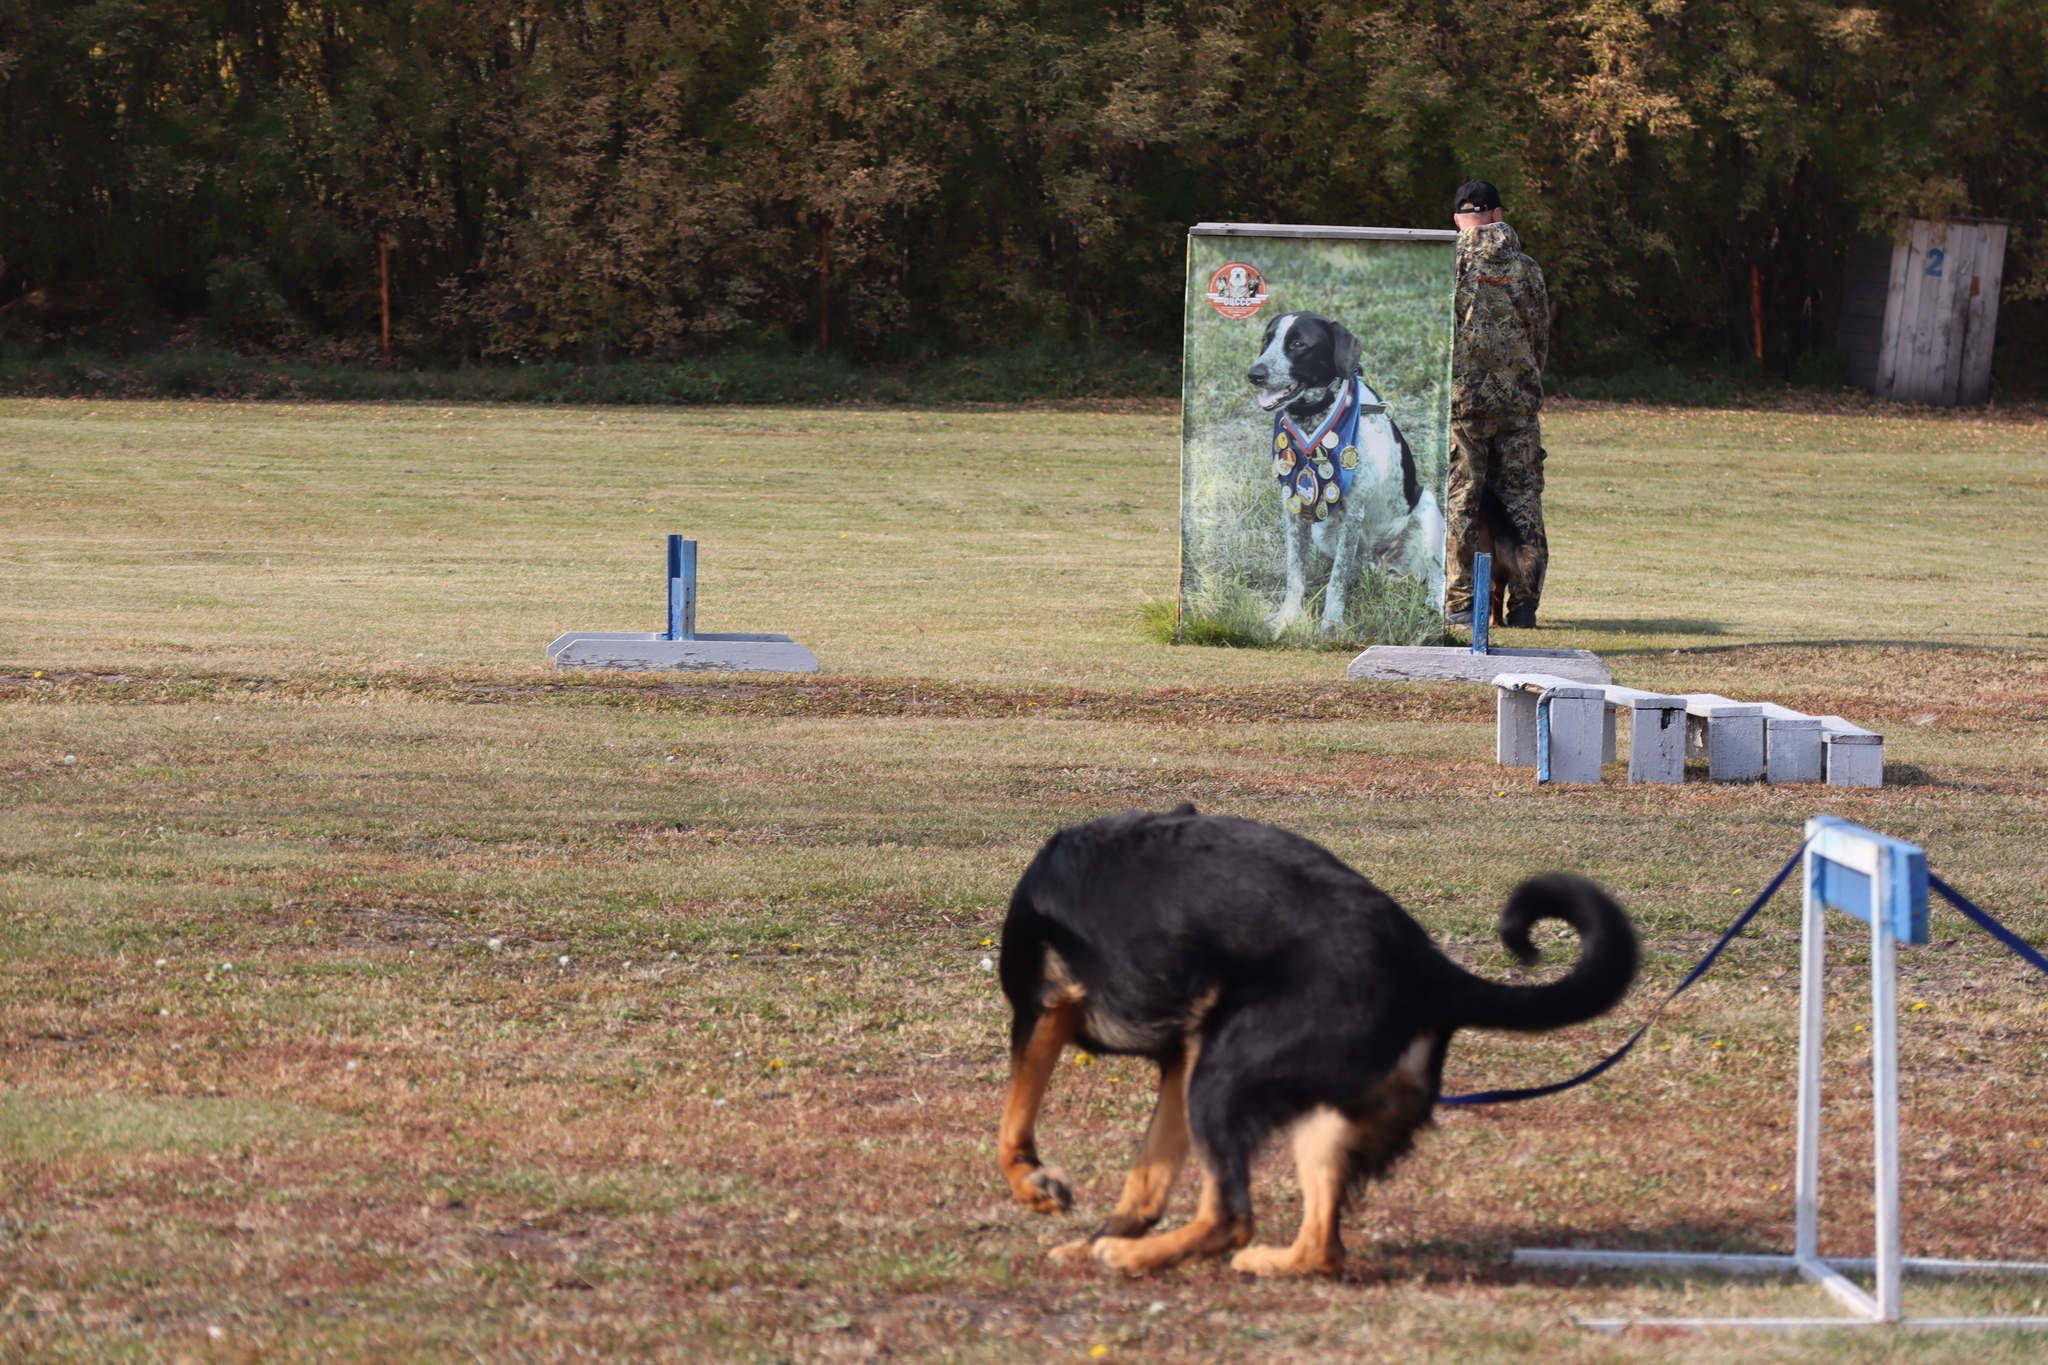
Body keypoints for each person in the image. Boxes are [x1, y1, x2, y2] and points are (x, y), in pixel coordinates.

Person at [1447, 179, 1549, 628]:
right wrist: (1524, 382)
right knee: (1523, 499)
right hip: (1518, 405)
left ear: (1457, 219)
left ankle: (1461, 605)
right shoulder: (1527, 268)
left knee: (1461, 501)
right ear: (1498, 215)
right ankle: (1524, 605)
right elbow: (1539, 335)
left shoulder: (1446, 264)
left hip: (1463, 406)